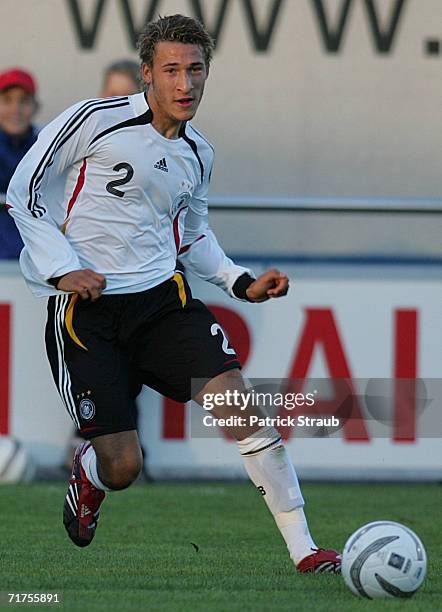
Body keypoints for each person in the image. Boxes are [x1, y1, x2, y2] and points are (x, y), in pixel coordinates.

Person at [6, 15, 341, 573]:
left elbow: (193, 234)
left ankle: (305, 550)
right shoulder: (94, 120)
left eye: (195, 70)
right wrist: (64, 269)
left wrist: (239, 280)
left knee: (245, 409)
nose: (185, 85)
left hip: (164, 303)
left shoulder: (198, 154)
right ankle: (91, 472)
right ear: (146, 74)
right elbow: (24, 192)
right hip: (85, 314)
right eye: (171, 71)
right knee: (123, 467)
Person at [0, 68, 39, 258]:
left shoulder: (46, 147)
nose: (15, 109)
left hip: (38, 264)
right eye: (7, 100)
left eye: (23, 101)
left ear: (35, 106)